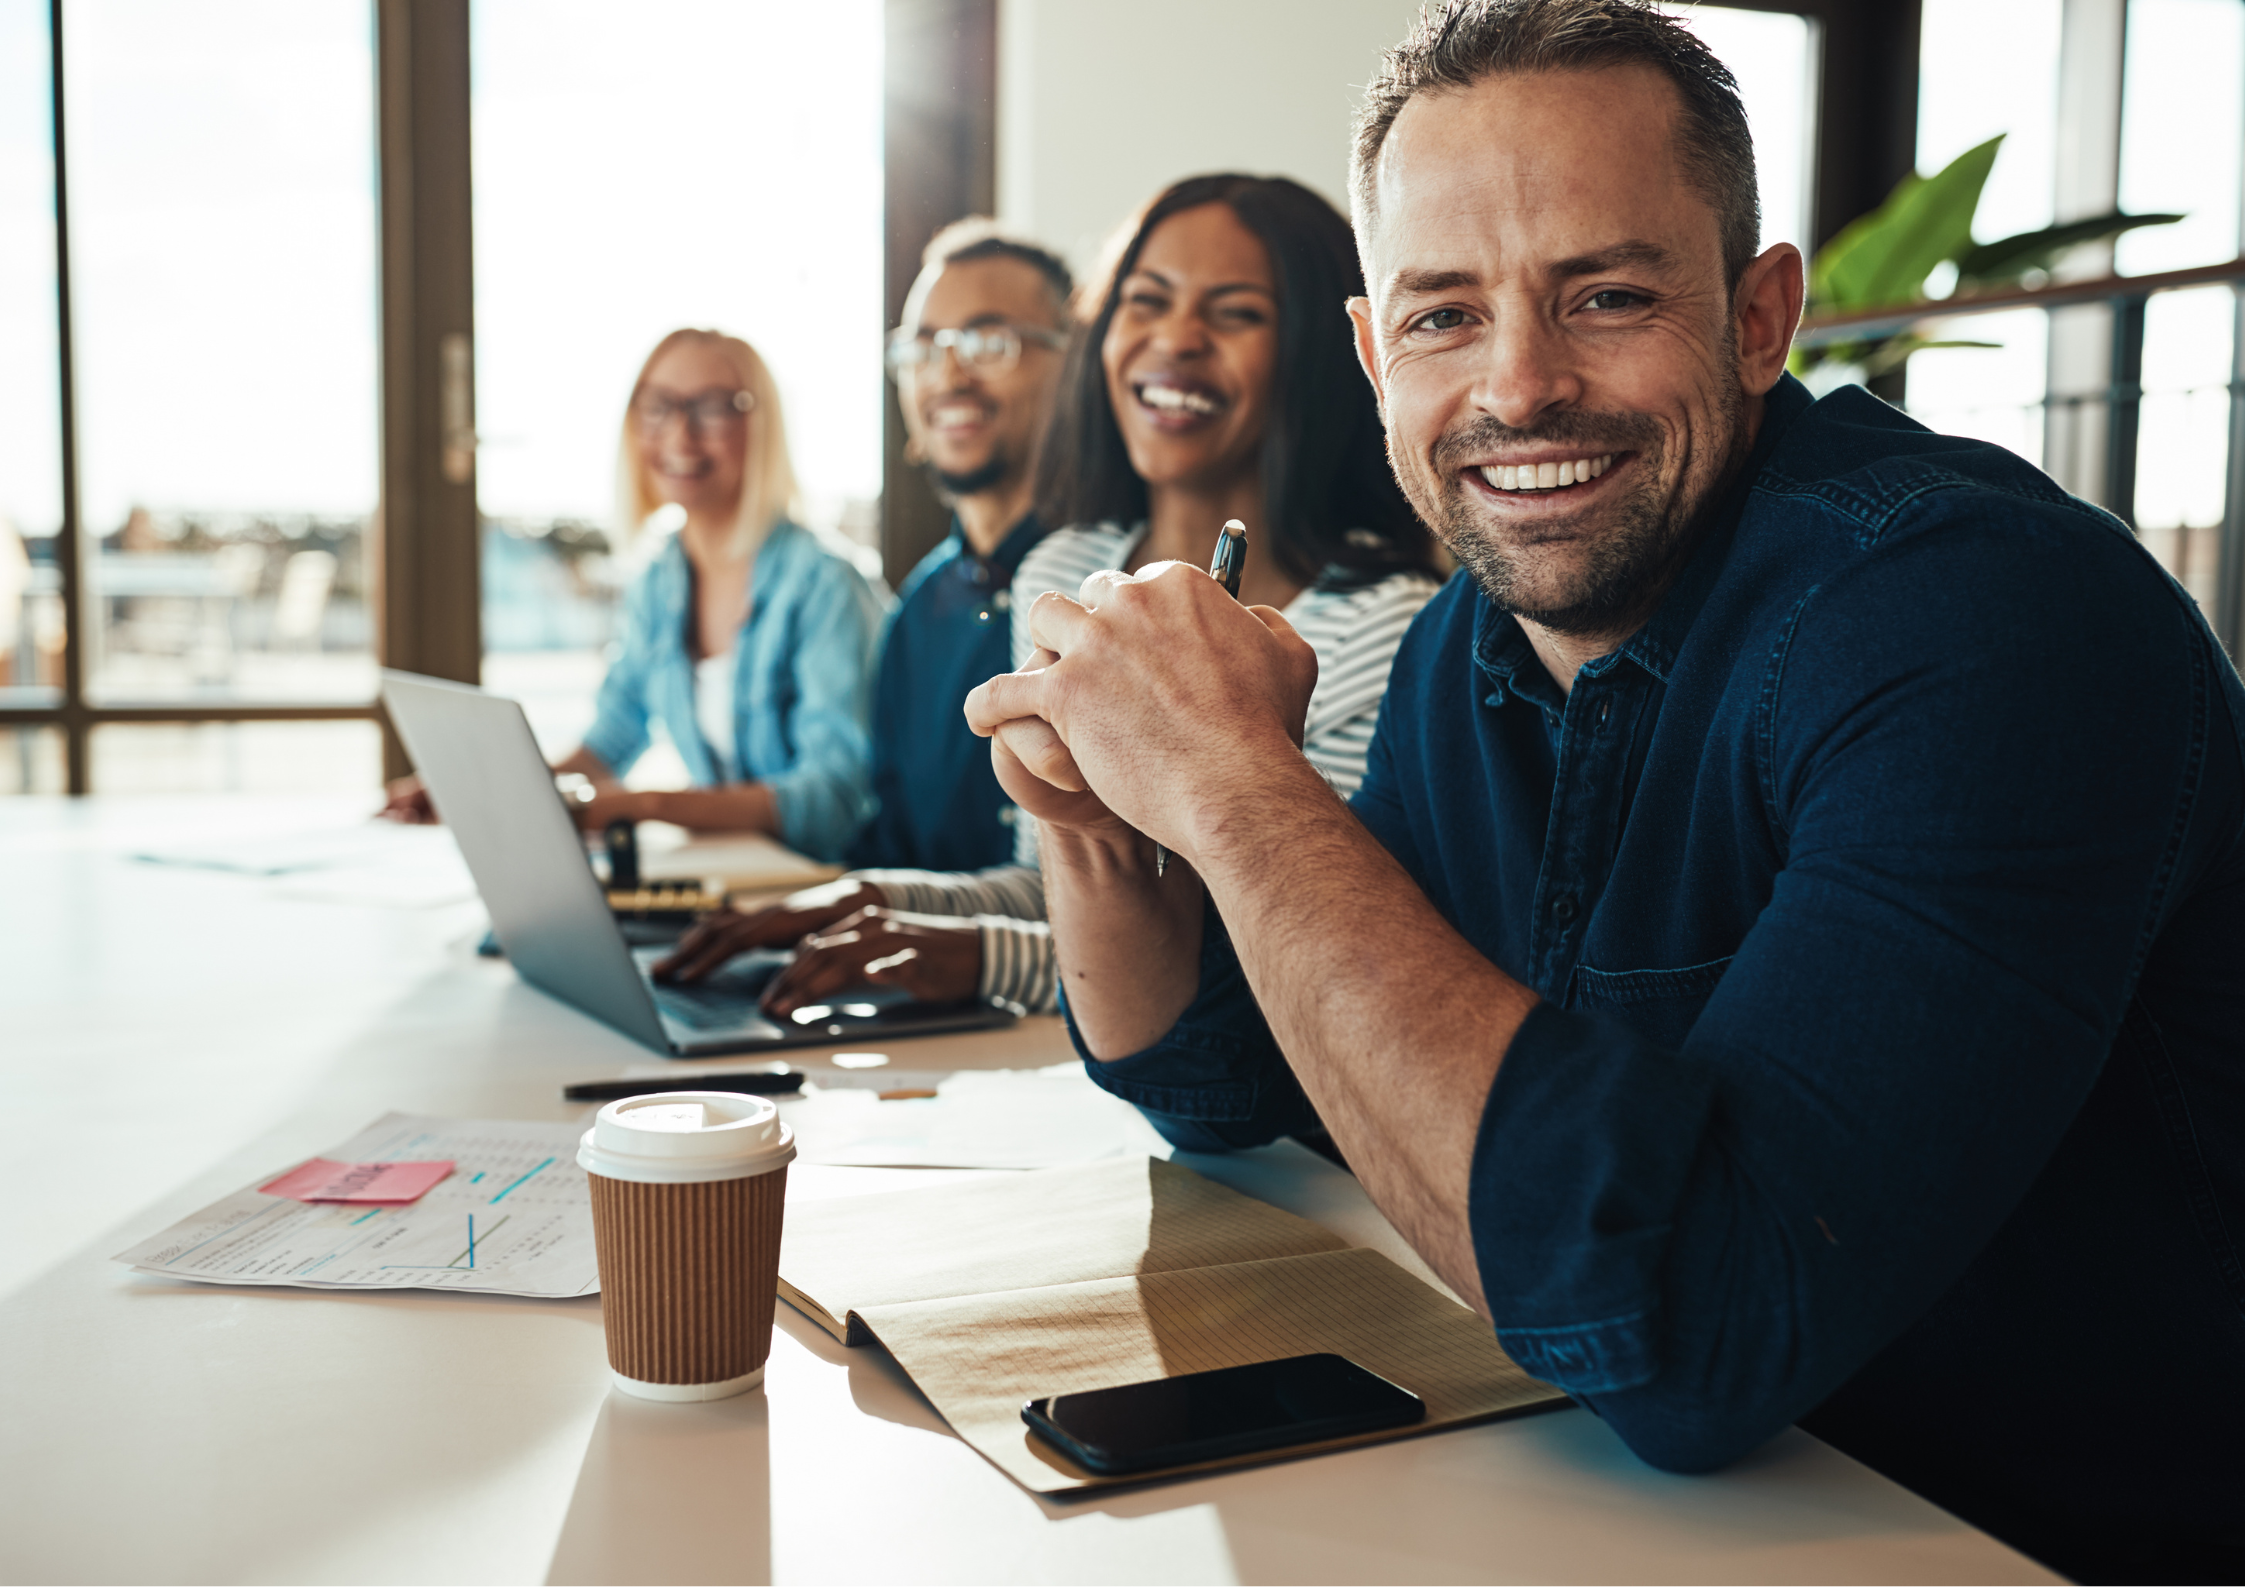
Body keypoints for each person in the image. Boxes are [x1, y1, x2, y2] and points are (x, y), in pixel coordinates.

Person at [963, 3, 2245, 1582]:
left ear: (1760, 314)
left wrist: (1236, 787)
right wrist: (1096, 811)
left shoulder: (1986, 621)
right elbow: (1247, 1088)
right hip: (1663, 1520)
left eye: (1609, 294)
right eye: (1442, 317)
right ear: (1374, 357)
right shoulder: (1470, 644)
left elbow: (1696, 1317)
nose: (1519, 387)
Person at [660, 175, 1445, 1022]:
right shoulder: (1062, 569)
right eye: (1146, 301)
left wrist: (981, 956)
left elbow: (1298, 942)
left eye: (1234, 312)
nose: (1174, 338)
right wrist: (860, 899)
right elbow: (1051, 883)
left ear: (1322, 355)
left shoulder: (1385, 627)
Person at [383, 329, 881, 861]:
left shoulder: (826, 585)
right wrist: (484, 792)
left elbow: (830, 804)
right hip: (740, 885)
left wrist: (636, 808)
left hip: (834, 894)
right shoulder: (660, 578)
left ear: (763, 427)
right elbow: (609, 742)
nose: (679, 435)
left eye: (712, 407)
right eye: (658, 406)